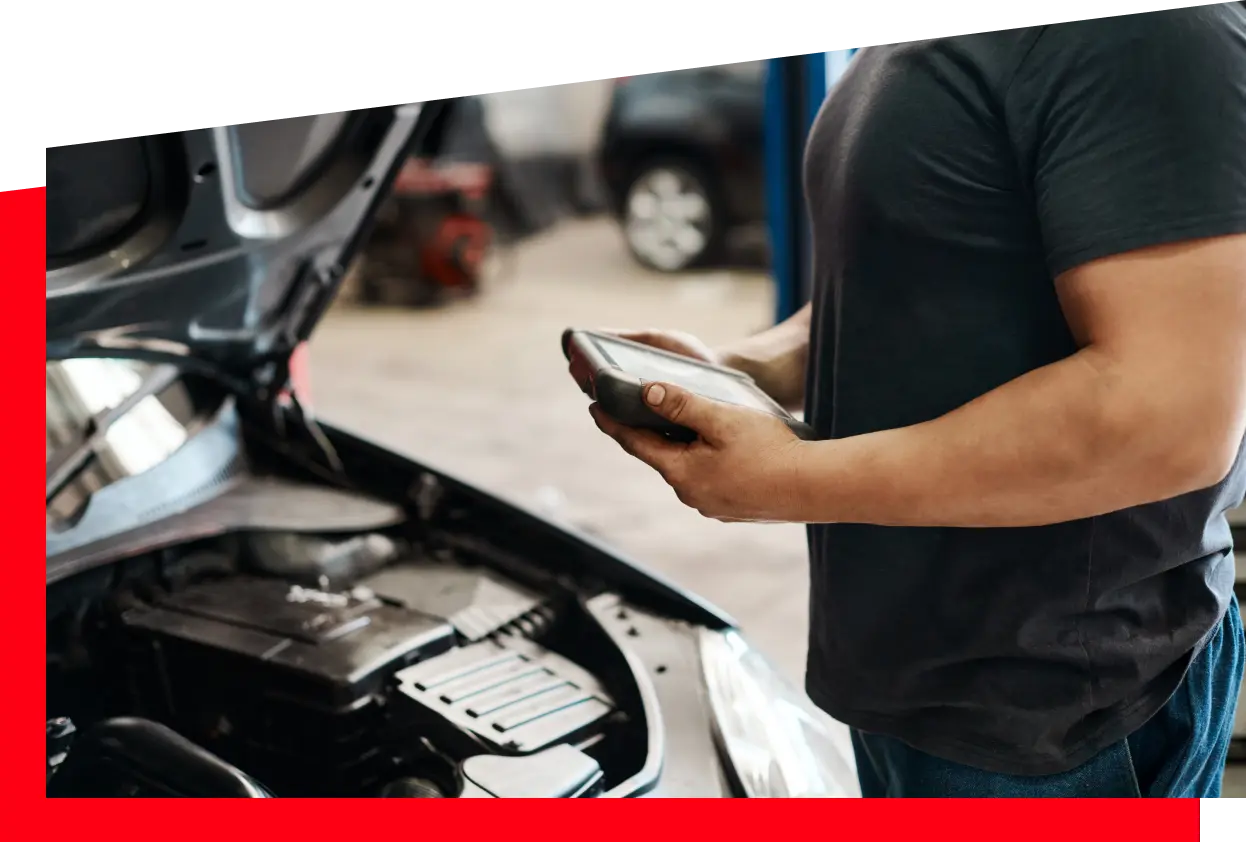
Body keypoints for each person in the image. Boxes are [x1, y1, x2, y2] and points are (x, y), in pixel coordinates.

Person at [589, 5, 1246, 798]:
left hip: (1052, 711)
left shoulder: (1147, 33)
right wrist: (748, 368)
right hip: (920, 675)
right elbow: (913, 269)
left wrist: (785, 482)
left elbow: (1165, 417)